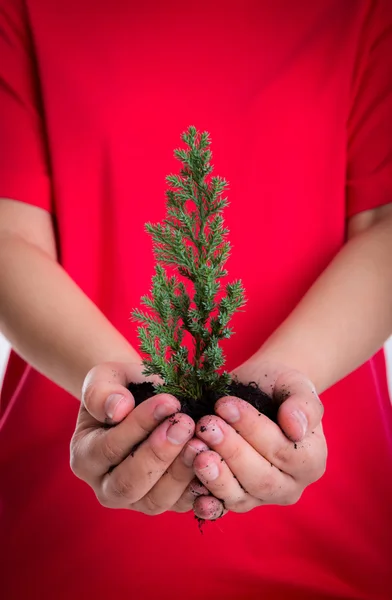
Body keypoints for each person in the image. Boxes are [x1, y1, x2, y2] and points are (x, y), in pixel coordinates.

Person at [0, 1, 391, 598]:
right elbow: (8, 234)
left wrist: (286, 396)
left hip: (335, 540)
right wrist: (120, 397)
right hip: (64, 540)